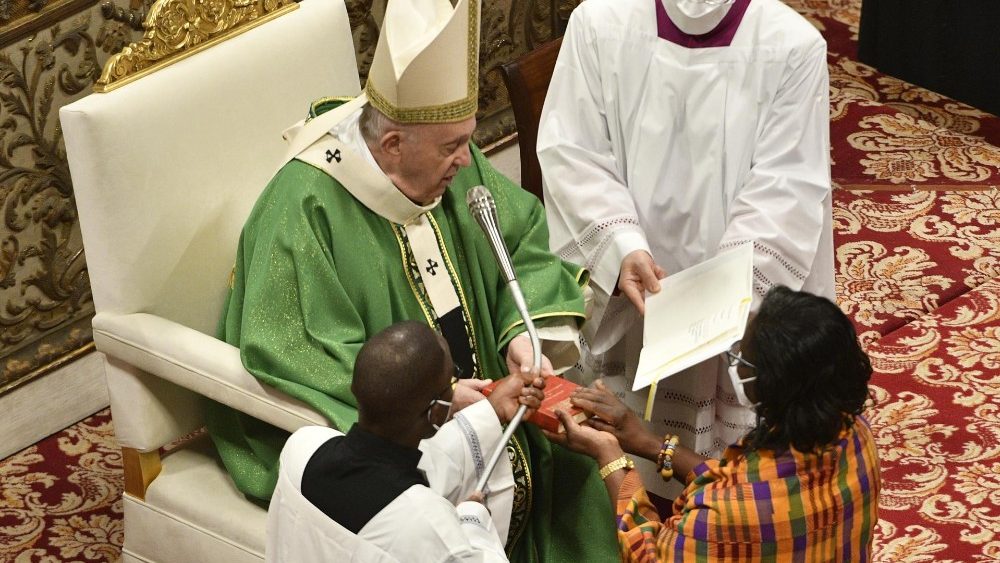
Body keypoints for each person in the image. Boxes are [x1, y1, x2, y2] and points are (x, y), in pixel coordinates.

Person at [205, 0, 620, 559]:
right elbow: (296, 350)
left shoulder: (439, 150)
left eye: (468, 142)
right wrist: (440, 402)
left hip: (487, 396)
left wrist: (520, 335)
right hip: (398, 435)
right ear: (392, 145)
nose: (468, 163)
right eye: (453, 148)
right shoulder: (301, 211)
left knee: (570, 464)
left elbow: (518, 235)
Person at [536, 0, 836, 497]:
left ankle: (720, 504)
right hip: (632, 273)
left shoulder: (791, 44)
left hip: (731, 280)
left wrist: (720, 292)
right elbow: (574, 152)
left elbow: (787, 186)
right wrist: (623, 245)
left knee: (746, 494)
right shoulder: (600, 21)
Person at [547, 286, 880, 560]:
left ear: (768, 384)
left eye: (740, 358)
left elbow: (649, 557)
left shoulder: (724, 513)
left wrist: (610, 456)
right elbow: (742, 485)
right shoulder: (855, 434)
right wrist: (646, 443)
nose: (735, 363)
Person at [267, 321, 546, 562]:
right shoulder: (432, 532)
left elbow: (401, 478)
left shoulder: (303, 447)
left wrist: (490, 411)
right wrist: (473, 519)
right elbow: (411, 513)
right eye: (453, 380)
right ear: (437, 411)